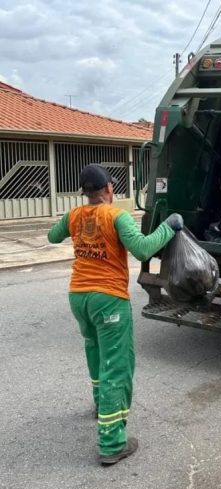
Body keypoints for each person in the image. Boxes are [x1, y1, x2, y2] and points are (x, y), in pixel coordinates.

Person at [48, 163, 183, 465]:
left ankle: (100, 406)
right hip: (108, 299)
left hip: (79, 296)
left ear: (84, 192)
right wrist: (169, 226)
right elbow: (143, 249)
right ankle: (111, 443)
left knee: (95, 352)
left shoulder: (74, 215)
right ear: (109, 188)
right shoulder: (116, 215)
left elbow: (51, 237)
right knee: (116, 365)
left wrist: (77, 229)